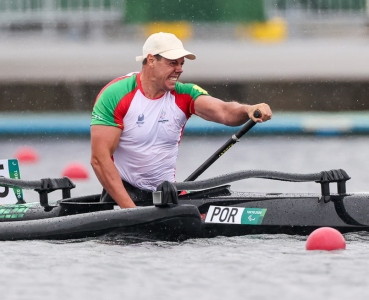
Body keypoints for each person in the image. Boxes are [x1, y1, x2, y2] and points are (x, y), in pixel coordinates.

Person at [90, 32, 272, 209]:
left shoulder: (184, 94)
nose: (180, 69)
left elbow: (224, 112)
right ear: (151, 60)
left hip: (167, 195)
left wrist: (248, 109)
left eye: (181, 63)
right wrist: (131, 212)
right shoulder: (116, 95)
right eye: (172, 63)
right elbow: (99, 159)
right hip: (122, 197)